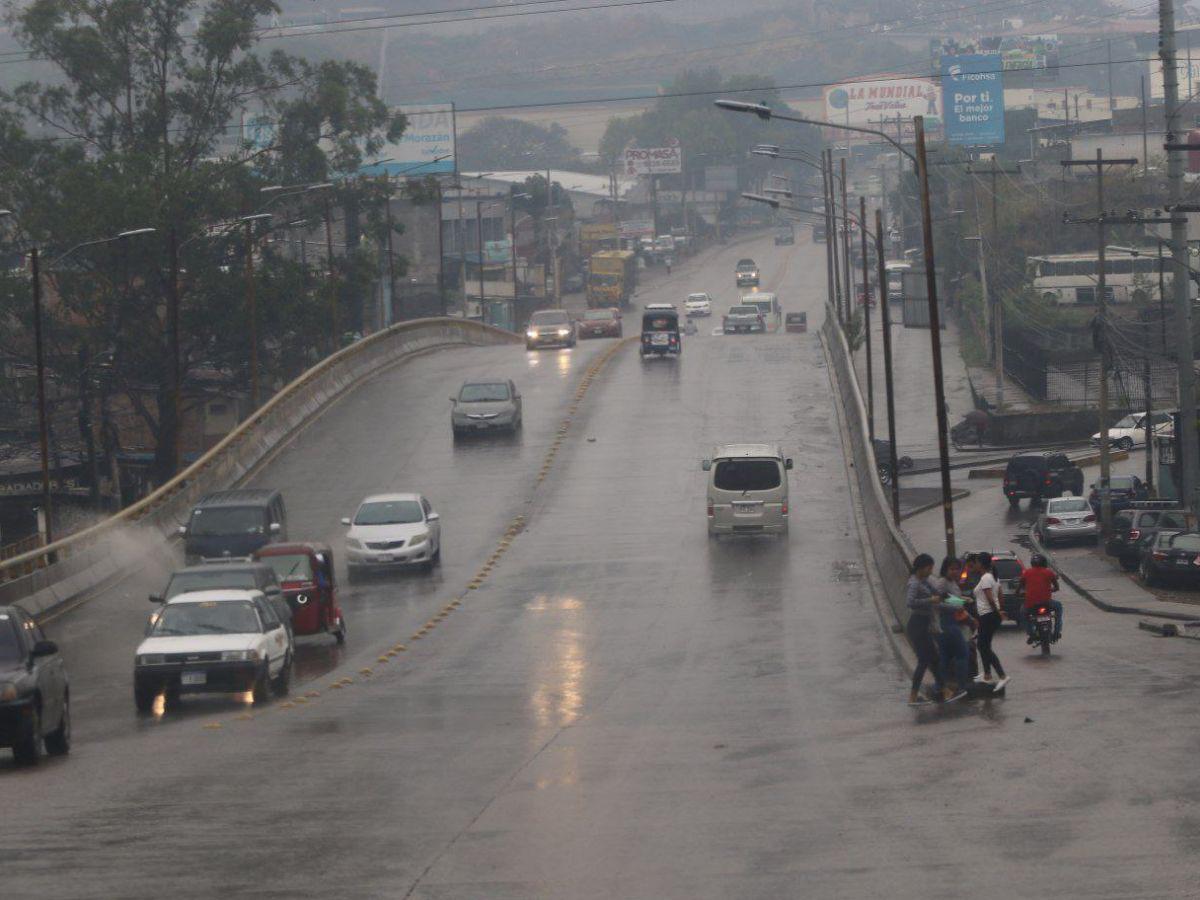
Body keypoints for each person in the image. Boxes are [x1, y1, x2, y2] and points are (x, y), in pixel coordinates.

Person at [905, 553, 954, 705]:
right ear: (922, 568)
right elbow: (910, 602)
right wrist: (930, 600)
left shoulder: (925, 581)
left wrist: (958, 600)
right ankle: (913, 697)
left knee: (934, 659)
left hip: (924, 624)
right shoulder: (914, 583)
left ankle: (944, 691)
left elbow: (939, 595)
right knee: (924, 660)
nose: (931, 571)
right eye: (929, 568)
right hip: (917, 624)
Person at [931, 558, 971, 699]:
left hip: (950, 621)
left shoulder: (952, 583)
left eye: (957, 569)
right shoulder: (941, 583)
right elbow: (937, 602)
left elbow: (949, 598)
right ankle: (961, 687)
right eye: (952, 569)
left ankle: (939, 686)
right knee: (962, 653)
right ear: (945, 569)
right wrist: (957, 605)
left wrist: (962, 600)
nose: (955, 572)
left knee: (945, 656)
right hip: (946, 622)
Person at [970, 552, 1009, 691]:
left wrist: (998, 612)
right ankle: (987, 675)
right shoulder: (992, 577)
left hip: (989, 615)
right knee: (983, 645)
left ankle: (1002, 676)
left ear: (981, 563)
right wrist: (1001, 610)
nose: (974, 564)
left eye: (976, 562)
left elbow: (990, 599)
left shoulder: (986, 578)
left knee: (983, 646)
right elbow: (1000, 596)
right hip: (989, 615)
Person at [1019, 553, 1063, 643]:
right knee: (1059, 607)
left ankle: (1031, 633)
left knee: (1023, 613)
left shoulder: (1026, 573)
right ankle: (1057, 631)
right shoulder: (1049, 572)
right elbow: (1057, 587)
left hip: (1031, 604)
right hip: (1047, 603)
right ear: (1044, 563)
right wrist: (1051, 590)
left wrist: (1019, 593)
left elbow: (1020, 587)